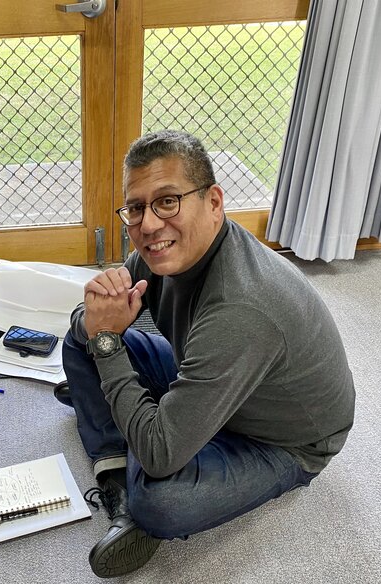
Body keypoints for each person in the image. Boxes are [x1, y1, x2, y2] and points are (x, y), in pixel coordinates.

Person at [56, 129, 355, 577]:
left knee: (160, 501)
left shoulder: (242, 307)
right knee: (81, 343)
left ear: (213, 202)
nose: (148, 225)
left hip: (283, 441)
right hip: (210, 374)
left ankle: (126, 433)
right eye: (136, 208)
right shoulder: (162, 253)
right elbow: (88, 322)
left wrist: (110, 355)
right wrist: (99, 322)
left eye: (168, 201)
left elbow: (159, 455)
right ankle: (118, 472)